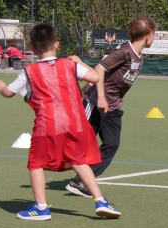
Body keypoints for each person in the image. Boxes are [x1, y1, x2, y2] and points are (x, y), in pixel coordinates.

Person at [0, 24, 122, 220]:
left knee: (36, 163)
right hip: (74, 124)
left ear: (34, 50)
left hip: (47, 125)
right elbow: (96, 77)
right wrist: (81, 62)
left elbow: (9, 93)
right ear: (57, 44)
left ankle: (41, 207)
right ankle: (100, 200)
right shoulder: (70, 65)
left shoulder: (30, 71)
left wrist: (1, 87)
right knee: (79, 161)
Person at [65, 15, 157, 197]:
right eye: (153, 34)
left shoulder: (139, 56)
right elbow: (100, 69)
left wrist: (81, 63)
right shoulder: (124, 52)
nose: (154, 38)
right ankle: (51, 163)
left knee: (111, 144)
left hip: (113, 107)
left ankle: (80, 181)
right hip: (96, 103)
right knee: (80, 144)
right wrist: (100, 97)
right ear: (147, 35)